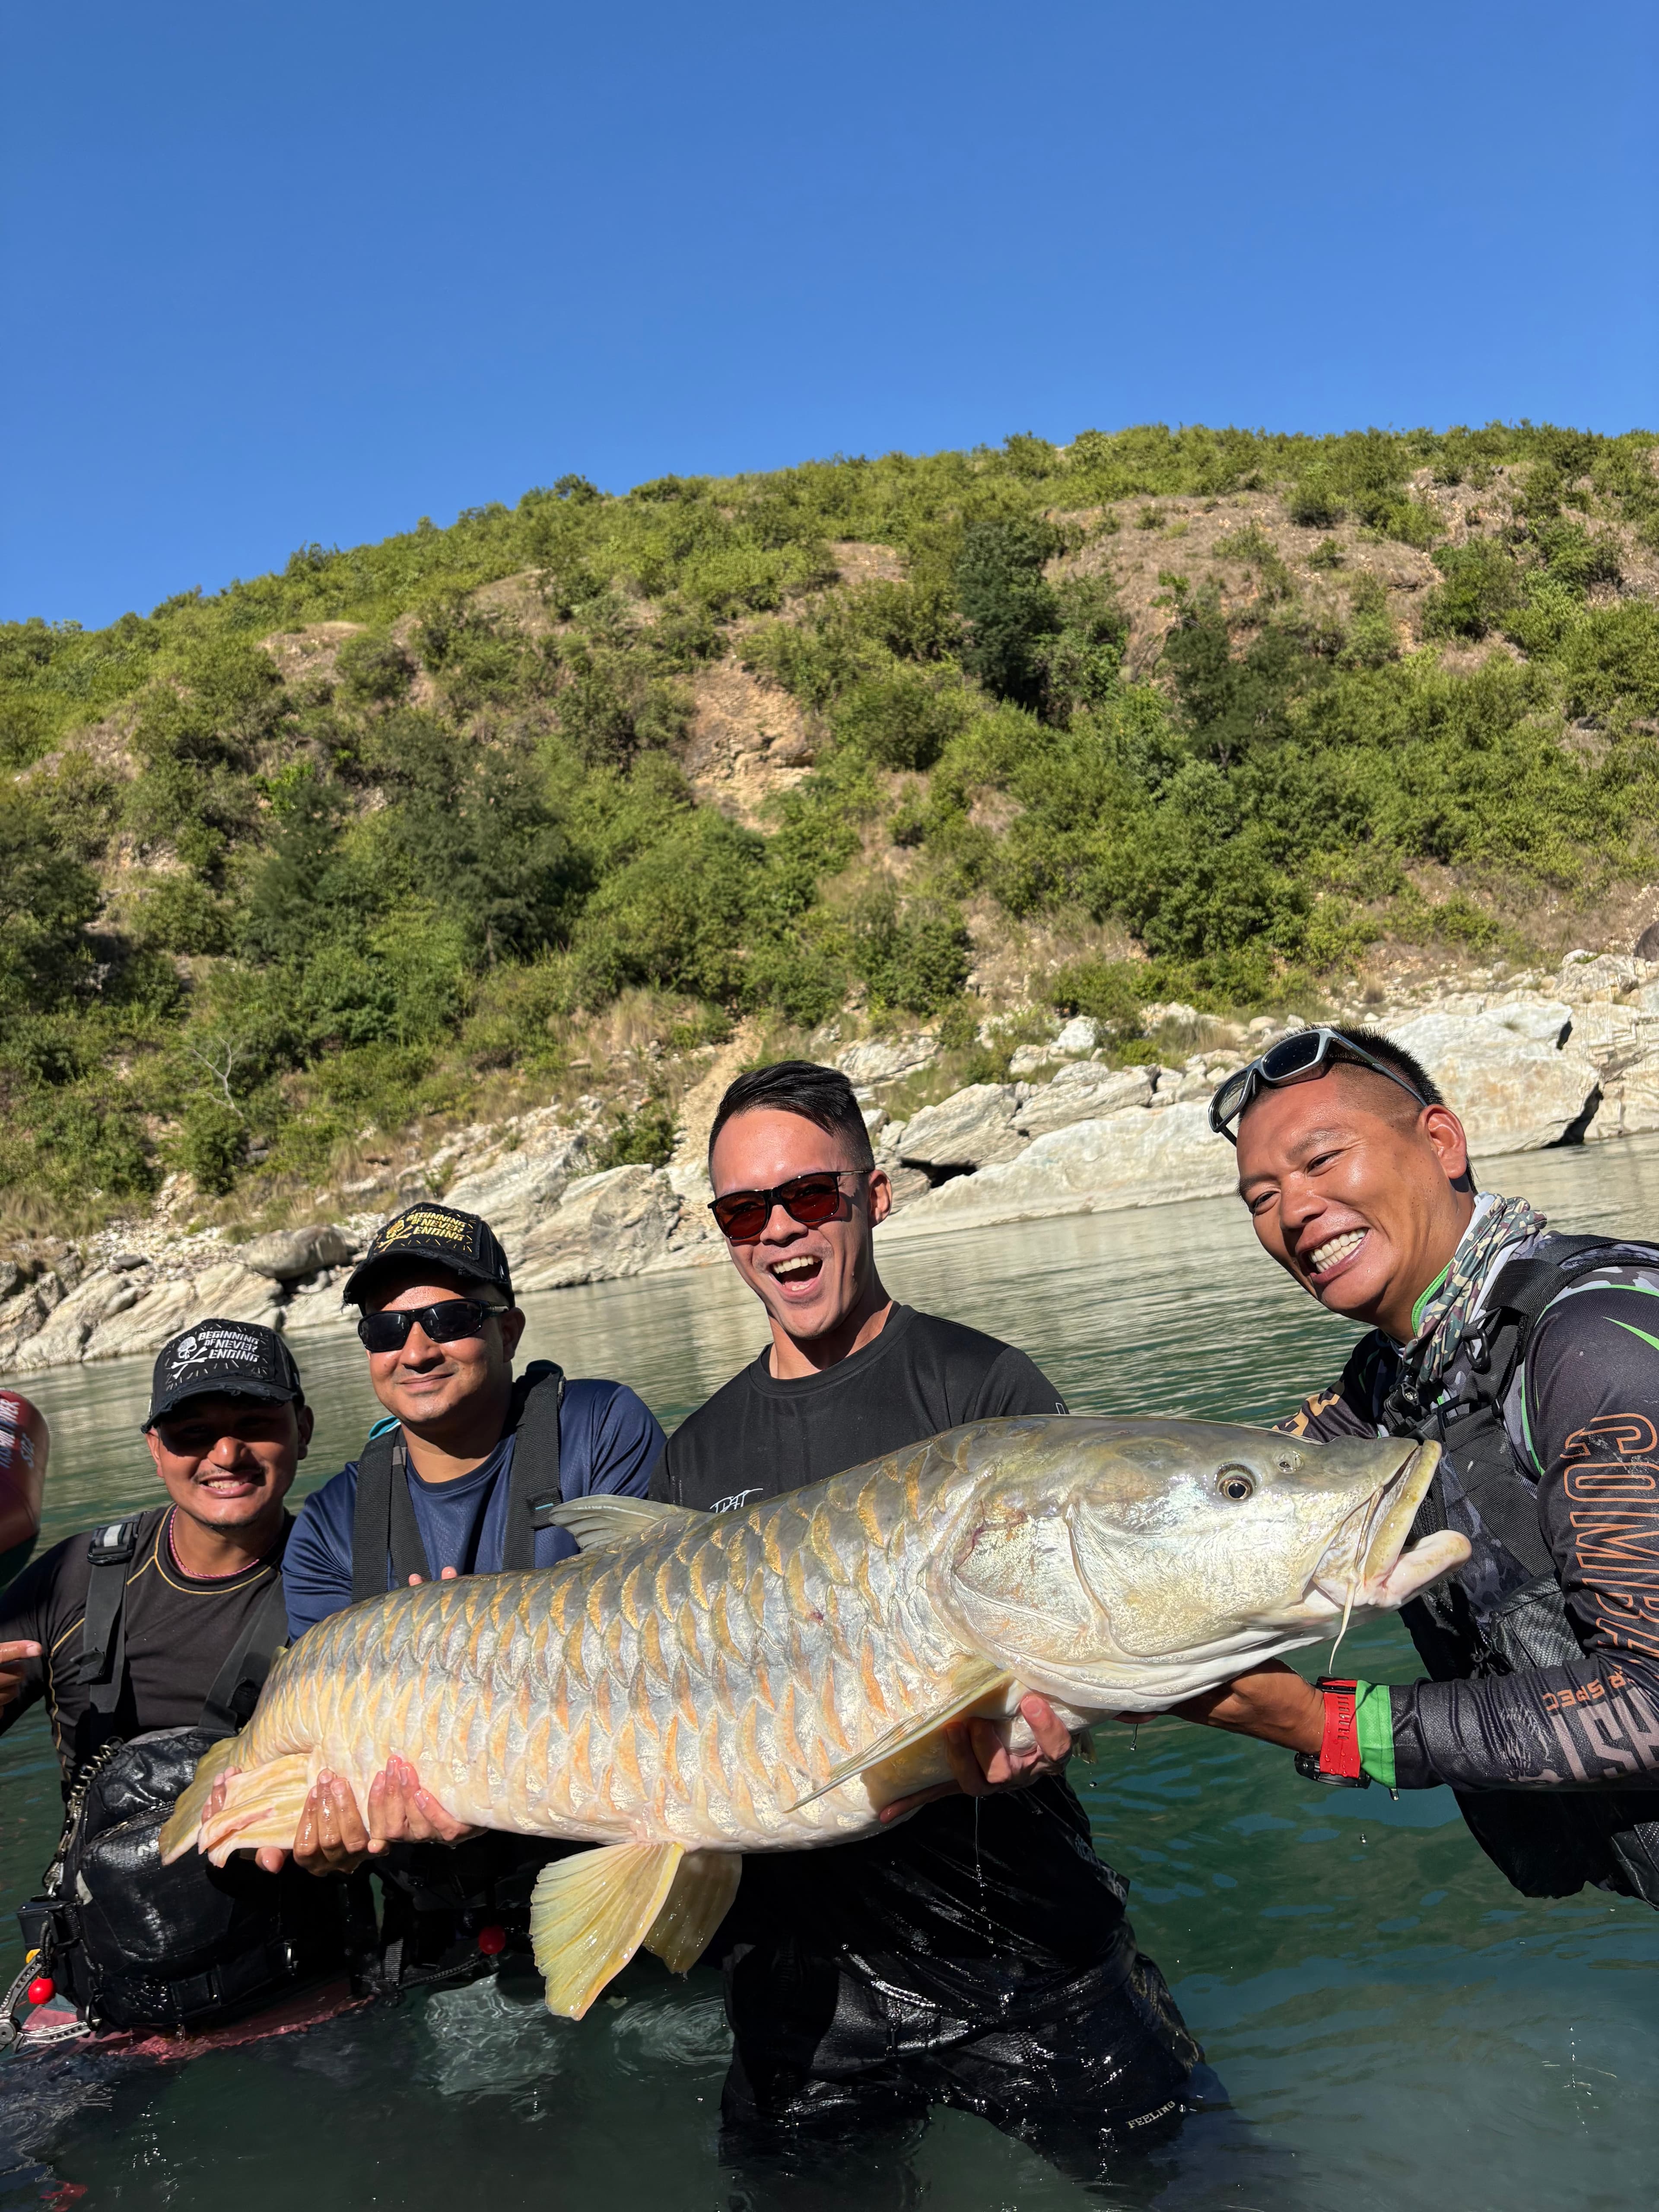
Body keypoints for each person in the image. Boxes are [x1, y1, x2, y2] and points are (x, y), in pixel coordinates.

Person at [650, 1060, 1209, 2193]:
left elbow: (1079, 1635)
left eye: (811, 1195)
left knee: (1208, 2185)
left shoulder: (984, 1391)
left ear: (878, 1193)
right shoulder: (695, 1456)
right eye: (743, 1211)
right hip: (801, 1986)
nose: (780, 1233)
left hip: (1020, 1949)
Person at [1168, 1023, 1659, 1903]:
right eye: (1261, 1195)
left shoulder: (1591, 1347)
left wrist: (1326, 1725)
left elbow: (1653, 1703)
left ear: (1441, 1142)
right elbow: (1214, 1519)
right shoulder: (1398, 1377)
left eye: (1323, 1160)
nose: (1293, 1210)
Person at [268, 1201, 665, 1979]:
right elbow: (321, 1754)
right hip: (442, 1920)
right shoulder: (330, 1527)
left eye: (449, 1319)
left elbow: (656, 1644)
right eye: (386, 1331)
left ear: (507, 1333)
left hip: (614, 1852)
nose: (415, 1349)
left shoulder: (601, 1428)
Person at [0, 1322, 355, 2044]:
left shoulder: (348, 1584)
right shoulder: (76, 1578)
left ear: (304, 1428)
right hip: (100, 2006)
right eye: (193, 1433)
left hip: (301, 1997)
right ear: (155, 1447)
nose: (226, 1454)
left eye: (255, 1425)